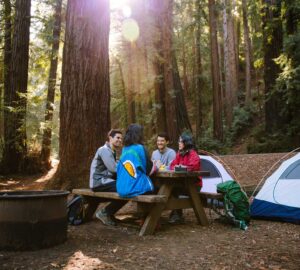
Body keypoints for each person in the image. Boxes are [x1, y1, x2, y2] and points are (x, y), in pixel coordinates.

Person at [89, 129, 126, 226]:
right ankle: (105, 213)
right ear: (110, 138)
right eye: (118, 138)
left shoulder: (111, 151)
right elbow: (113, 169)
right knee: (126, 189)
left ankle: (109, 213)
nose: (120, 140)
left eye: (121, 139)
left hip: (104, 181)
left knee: (126, 188)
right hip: (98, 182)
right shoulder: (104, 150)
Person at [168, 133, 201, 224]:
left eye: (180, 141)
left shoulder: (193, 154)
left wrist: (182, 167)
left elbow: (193, 166)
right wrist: (178, 167)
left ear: (186, 143)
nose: (178, 143)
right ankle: (176, 214)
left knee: (172, 189)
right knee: (170, 188)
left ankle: (176, 214)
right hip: (182, 184)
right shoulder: (179, 153)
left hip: (193, 185)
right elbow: (172, 165)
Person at [116, 124, 154, 197]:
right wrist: (155, 166)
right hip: (136, 188)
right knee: (156, 189)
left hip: (121, 188)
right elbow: (147, 170)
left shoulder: (124, 149)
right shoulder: (140, 148)